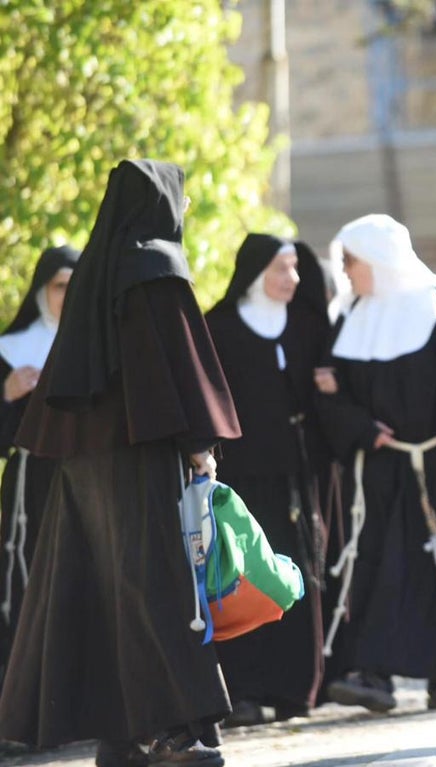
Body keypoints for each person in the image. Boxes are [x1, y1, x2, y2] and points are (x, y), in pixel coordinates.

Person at [0, 160, 242, 767]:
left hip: (85, 463)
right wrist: (198, 442)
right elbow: (170, 367)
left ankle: (121, 736)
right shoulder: (156, 267)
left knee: (106, 590)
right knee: (156, 590)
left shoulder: (97, 271)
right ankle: (174, 733)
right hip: (140, 457)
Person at [316, 214, 436, 713]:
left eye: (351, 261)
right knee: (384, 568)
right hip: (382, 466)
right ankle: (375, 675)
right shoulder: (349, 316)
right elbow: (329, 393)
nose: (347, 272)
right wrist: (361, 428)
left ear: (378, 261)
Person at [205, 234, 332, 726]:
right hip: (245, 479)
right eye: (282, 268)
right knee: (242, 575)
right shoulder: (219, 327)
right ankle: (245, 690)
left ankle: (297, 688)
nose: (293, 279)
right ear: (256, 272)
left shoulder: (308, 324)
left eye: (296, 268)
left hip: (301, 476)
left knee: (299, 574)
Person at [0, 244, 79, 685]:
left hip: (86, 484)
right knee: (29, 585)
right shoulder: (11, 351)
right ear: (40, 291)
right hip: (33, 485)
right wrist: (7, 394)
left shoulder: (98, 349)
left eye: (76, 288)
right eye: (59, 287)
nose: (67, 297)